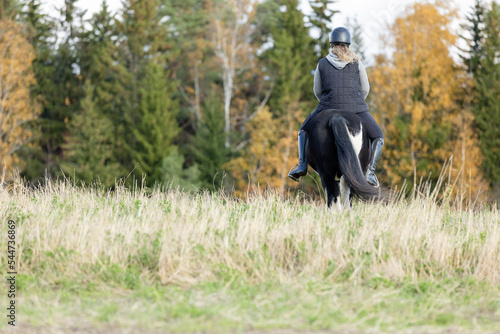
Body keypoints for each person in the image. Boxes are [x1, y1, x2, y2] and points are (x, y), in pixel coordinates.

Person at [288, 27, 384, 188]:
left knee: (303, 130)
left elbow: (317, 91)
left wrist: (327, 104)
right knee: (378, 136)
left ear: (332, 45)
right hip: (356, 108)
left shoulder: (322, 63)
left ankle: (302, 166)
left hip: (327, 107)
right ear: (348, 45)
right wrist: (356, 103)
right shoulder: (357, 63)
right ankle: (370, 173)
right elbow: (365, 88)